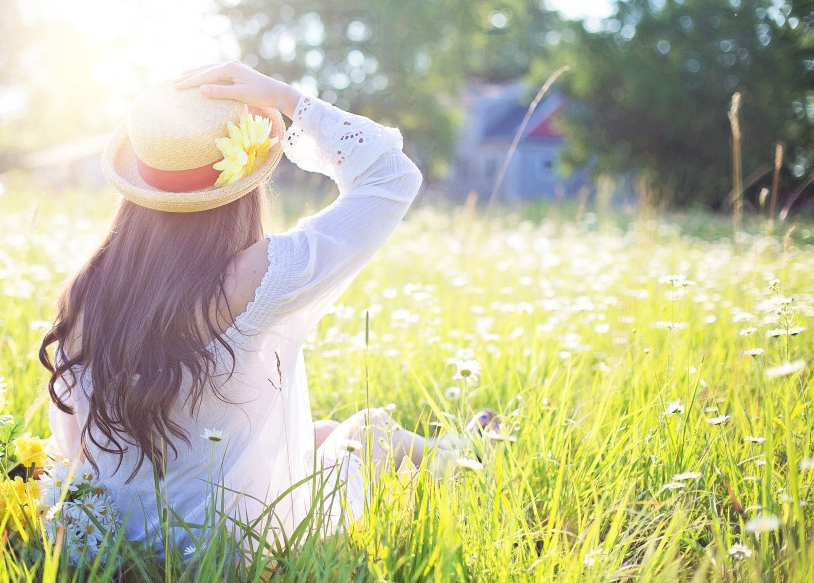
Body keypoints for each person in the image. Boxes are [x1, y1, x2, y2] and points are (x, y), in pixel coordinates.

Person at [40, 62, 495, 561]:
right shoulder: (254, 276)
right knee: (369, 432)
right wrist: (288, 99)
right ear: (243, 185)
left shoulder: (88, 287)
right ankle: (465, 458)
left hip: (117, 538)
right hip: (235, 547)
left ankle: (458, 450)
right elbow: (393, 176)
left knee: (321, 434)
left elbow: (72, 441)